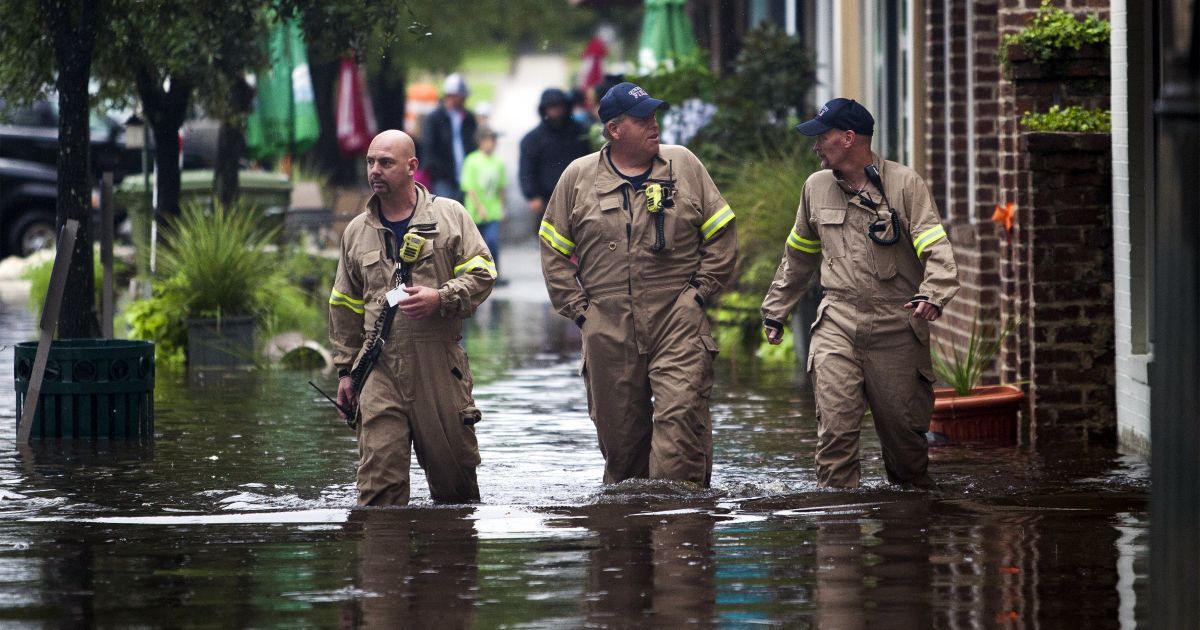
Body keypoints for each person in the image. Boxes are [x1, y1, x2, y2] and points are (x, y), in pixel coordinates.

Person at [539, 82, 737, 487]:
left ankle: (677, 537)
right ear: (614, 130)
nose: (654, 124)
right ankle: (627, 543)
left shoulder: (684, 165)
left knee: (680, 433)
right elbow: (553, 251)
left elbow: (722, 234)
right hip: (607, 326)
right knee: (622, 453)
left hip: (678, 319)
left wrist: (699, 294)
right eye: (642, 118)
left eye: (654, 115)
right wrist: (582, 312)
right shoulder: (577, 177)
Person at [759, 98, 960, 489]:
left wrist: (933, 293)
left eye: (822, 137)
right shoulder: (815, 188)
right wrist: (776, 309)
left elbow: (937, 249)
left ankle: (907, 536)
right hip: (837, 321)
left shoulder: (905, 184)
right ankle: (837, 535)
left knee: (906, 453)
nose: (816, 146)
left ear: (848, 138)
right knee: (835, 437)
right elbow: (798, 255)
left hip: (898, 326)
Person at [328, 129, 496, 506]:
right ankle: (383, 561)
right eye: (370, 162)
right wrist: (344, 371)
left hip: (438, 365)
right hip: (378, 368)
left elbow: (484, 274)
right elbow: (344, 305)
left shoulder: (450, 215)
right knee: (378, 494)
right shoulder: (356, 232)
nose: (375, 170)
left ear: (412, 167)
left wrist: (441, 297)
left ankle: (450, 563)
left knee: (456, 494)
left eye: (385, 162)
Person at [519, 88, 591, 231]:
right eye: (552, 106)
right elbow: (526, 169)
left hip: (580, 198)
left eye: (560, 105)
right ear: (544, 109)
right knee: (550, 245)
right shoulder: (532, 139)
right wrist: (532, 195)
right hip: (547, 200)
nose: (557, 110)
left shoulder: (581, 133)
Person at [421, 73, 478, 202]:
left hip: (466, 177)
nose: (464, 101)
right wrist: (437, 171)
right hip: (443, 178)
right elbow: (429, 148)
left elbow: (473, 143)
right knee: (445, 212)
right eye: (461, 97)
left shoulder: (468, 117)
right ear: (451, 96)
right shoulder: (434, 119)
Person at [460, 126, 506, 278]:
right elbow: (469, 187)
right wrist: (479, 207)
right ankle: (477, 273)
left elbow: (501, 187)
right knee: (475, 245)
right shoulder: (472, 160)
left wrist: (502, 206)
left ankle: (494, 272)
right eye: (488, 140)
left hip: (493, 210)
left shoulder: (498, 162)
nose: (492, 143)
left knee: (492, 242)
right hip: (475, 211)